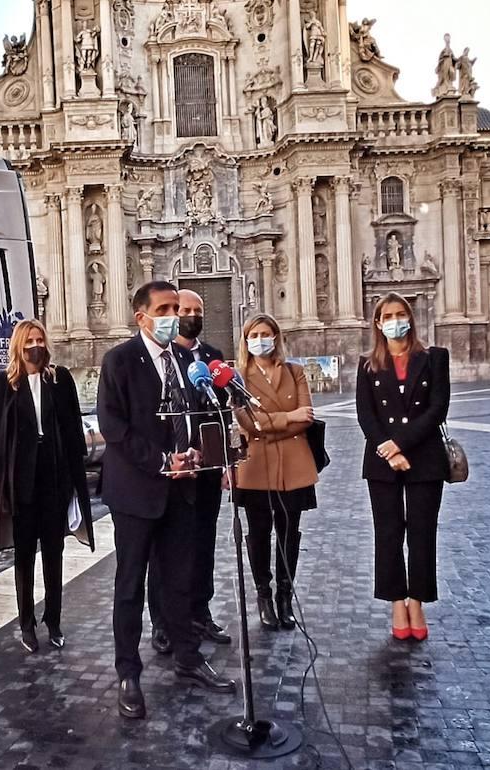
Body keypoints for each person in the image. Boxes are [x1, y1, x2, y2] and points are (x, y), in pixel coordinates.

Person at [98, 281, 235, 721]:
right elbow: (113, 426)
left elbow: (196, 413)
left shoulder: (185, 360)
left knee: (180, 578)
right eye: (165, 308)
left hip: (183, 490)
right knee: (131, 585)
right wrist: (161, 461)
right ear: (141, 316)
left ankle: (188, 657)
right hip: (137, 492)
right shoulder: (119, 360)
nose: (174, 315)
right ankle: (128, 673)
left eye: (176, 307)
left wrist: (196, 450)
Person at [0, 319, 94, 654]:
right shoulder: (2, 384)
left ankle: (54, 619)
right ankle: (26, 622)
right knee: (24, 556)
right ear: (19, 345)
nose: (35, 345)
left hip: (55, 476)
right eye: (29, 340)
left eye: (39, 339)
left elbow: (74, 429)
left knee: (54, 553)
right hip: (20, 481)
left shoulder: (59, 379)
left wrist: (78, 480)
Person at [356, 292, 450, 641]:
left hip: (424, 459)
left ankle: (417, 600)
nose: (395, 320)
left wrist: (401, 443)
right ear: (378, 323)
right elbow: (366, 415)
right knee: (389, 533)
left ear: (410, 317)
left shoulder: (435, 359)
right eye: (387, 316)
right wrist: (388, 450)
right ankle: (396, 600)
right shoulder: (367, 365)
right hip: (383, 463)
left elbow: (437, 408)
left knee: (423, 533)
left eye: (400, 314)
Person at [147, 289, 232, 656]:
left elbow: (221, 413)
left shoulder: (213, 357)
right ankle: (163, 622)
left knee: (204, 543)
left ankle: (200, 611)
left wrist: (226, 462)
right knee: (165, 551)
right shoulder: (166, 358)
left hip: (209, 466)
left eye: (198, 310)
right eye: (185, 310)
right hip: (176, 469)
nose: (192, 315)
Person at [232, 314, 317, 632]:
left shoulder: (295, 371)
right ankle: (264, 597)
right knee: (258, 535)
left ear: (276, 336)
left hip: (295, 467)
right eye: (254, 334)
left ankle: (285, 597)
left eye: (266, 333)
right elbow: (248, 423)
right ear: (246, 339)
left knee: (289, 534)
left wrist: (269, 425)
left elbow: (306, 417)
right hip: (256, 469)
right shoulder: (238, 377)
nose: (261, 339)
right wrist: (287, 418)